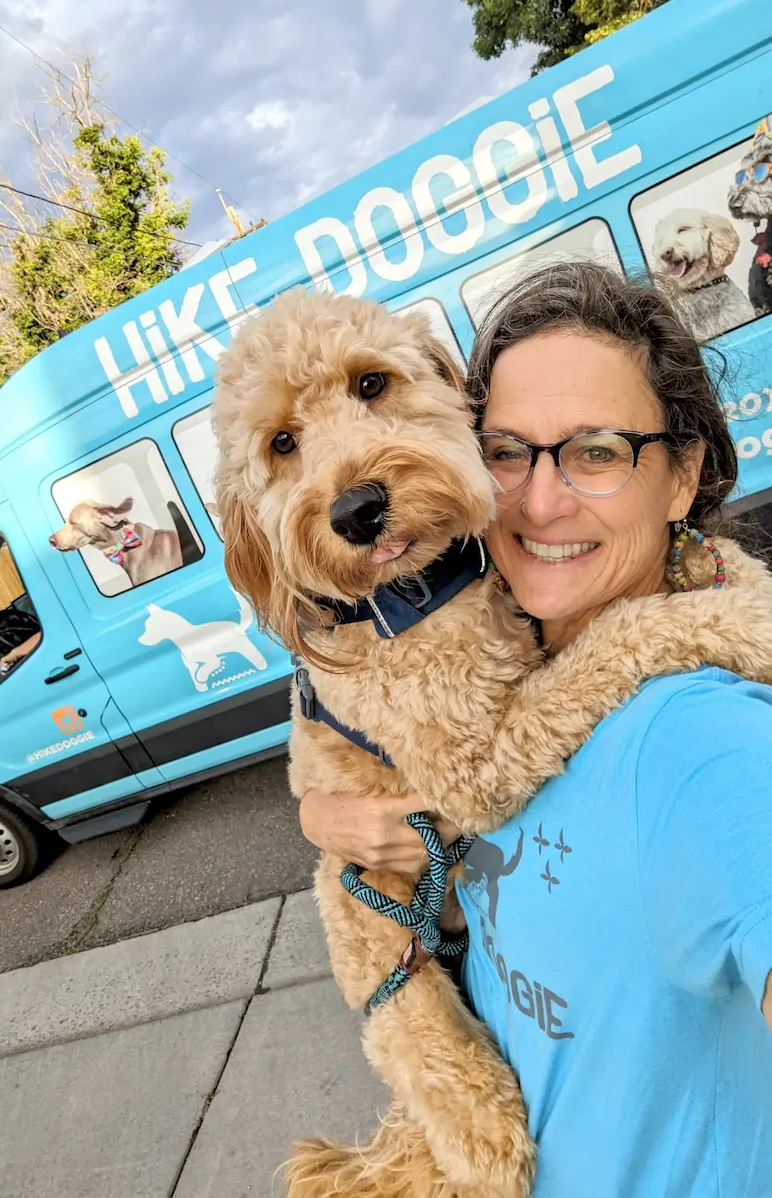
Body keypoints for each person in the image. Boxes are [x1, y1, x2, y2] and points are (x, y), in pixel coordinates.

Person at [299, 261, 772, 1196]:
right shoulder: (492, 629)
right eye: (508, 450)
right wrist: (326, 816)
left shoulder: (701, 739)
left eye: (598, 450)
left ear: (682, 478)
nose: (541, 501)